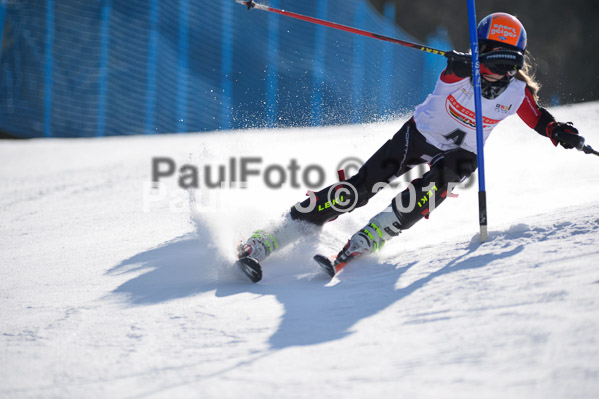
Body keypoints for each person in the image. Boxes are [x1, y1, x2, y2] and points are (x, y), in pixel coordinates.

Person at [235, 12, 585, 281]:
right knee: (355, 191)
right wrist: (465, 63)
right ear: (480, 52)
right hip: (416, 137)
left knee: (460, 166)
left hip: (458, 153)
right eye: (494, 61)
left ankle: (377, 231)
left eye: (511, 64)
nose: (500, 73)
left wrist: (558, 132)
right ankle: (276, 233)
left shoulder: (516, 93)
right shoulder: (457, 71)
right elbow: (454, 70)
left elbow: (539, 118)